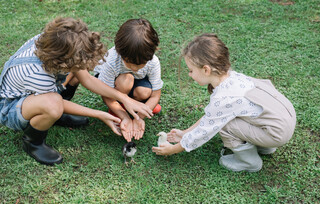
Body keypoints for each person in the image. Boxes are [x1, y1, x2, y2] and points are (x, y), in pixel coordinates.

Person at [0, 17, 153, 165]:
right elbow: (57, 102)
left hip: (36, 95)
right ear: (63, 61)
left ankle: (55, 118)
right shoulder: (36, 74)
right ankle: (33, 143)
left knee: (72, 76)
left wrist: (124, 98)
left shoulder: (56, 44)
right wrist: (99, 114)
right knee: (52, 104)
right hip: (10, 108)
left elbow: (87, 79)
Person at [152, 33, 296, 172]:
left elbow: (204, 131)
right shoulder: (233, 78)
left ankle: (249, 162)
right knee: (227, 118)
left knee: (225, 125)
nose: (189, 75)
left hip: (277, 133)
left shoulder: (223, 98)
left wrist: (173, 149)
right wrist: (185, 133)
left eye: (190, 70)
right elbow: (212, 116)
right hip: (283, 120)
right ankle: (264, 146)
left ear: (206, 70)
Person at [94, 18, 163, 142]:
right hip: (113, 86)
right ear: (120, 53)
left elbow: (156, 94)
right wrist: (125, 116)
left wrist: (139, 117)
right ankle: (118, 108)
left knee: (145, 92)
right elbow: (106, 94)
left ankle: (141, 107)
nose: (135, 68)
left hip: (137, 82)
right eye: (130, 63)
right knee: (127, 79)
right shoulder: (111, 61)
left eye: (140, 64)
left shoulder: (153, 62)